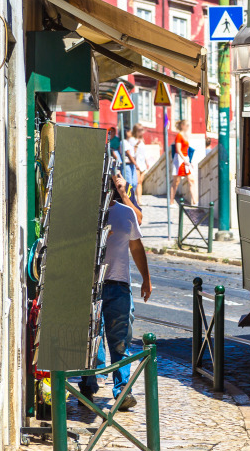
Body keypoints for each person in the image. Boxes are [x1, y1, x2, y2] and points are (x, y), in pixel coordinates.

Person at [79, 171, 153, 409]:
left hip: (119, 285)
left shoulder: (126, 213)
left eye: (109, 187)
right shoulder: (85, 214)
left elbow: (136, 247)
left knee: (121, 340)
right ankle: (87, 388)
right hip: (90, 286)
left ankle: (122, 392)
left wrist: (146, 279)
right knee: (91, 339)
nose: (105, 192)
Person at [169, 120, 196, 205]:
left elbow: (186, 150)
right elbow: (178, 149)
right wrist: (184, 160)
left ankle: (195, 201)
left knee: (191, 180)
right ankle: (171, 201)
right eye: (187, 125)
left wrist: (189, 161)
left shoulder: (185, 136)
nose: (188, 127)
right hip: (180, 160)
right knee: (176, 181)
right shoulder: (179, 136)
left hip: (185, 159)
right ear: (182, 126)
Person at [134, 125, 149, 195]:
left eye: (142, 130)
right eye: (139, 130)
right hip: (136, 163)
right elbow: (132, 152)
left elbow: (144, 152)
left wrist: (147, 162)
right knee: (137, 182)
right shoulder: (133, 140)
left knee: (141, 182)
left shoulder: (142, 140)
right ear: (136, 131)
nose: (141, 132)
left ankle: (139, 199)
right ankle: (137, 200)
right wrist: (136, 145)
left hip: (142, 163)